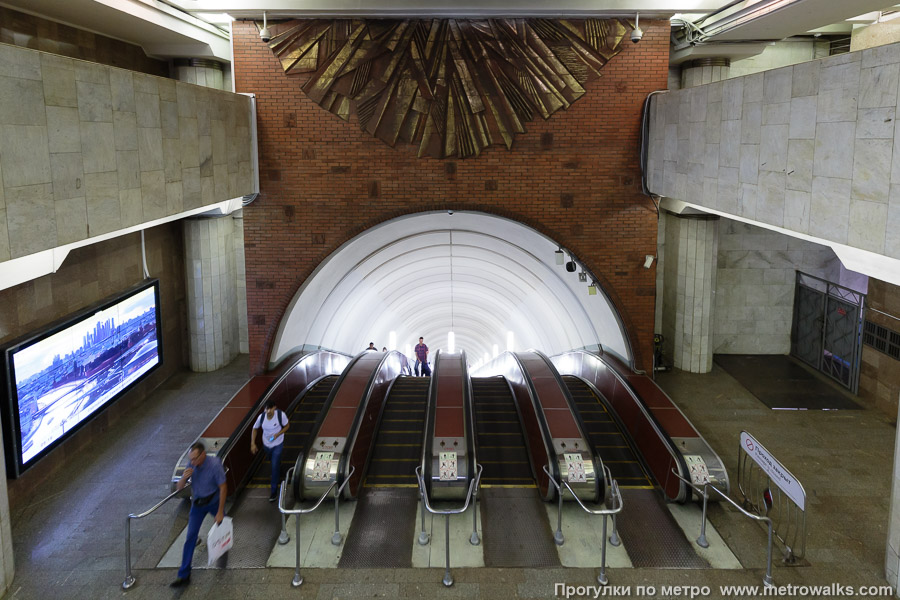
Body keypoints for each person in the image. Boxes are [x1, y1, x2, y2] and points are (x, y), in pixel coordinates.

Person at [171, 442, 227, 587]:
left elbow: (223, 488)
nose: (193, 462)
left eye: (195, 458)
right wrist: (183, 478)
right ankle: (183, 575)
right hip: (197, 504)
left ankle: (223, 552)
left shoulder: (215, 465)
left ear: (203, 454)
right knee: (190, 537)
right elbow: (179, 488)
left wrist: (220, 511)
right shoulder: (191, 464)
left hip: (213, 501)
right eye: (191, 459)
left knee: (223, 526)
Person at [250, 400, 289, 502]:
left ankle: (273, 492)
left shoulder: (281, 415)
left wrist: (278, 434)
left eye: (270, 409)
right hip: (266, 445)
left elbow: (287, 426)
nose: (268, 411)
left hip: (278, 444)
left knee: (274, 467)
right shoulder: (261, 417)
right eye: (266, 409)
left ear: (274, 408)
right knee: (272, 460)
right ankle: (278, 464)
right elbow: (255, 428)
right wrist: (253, 443)